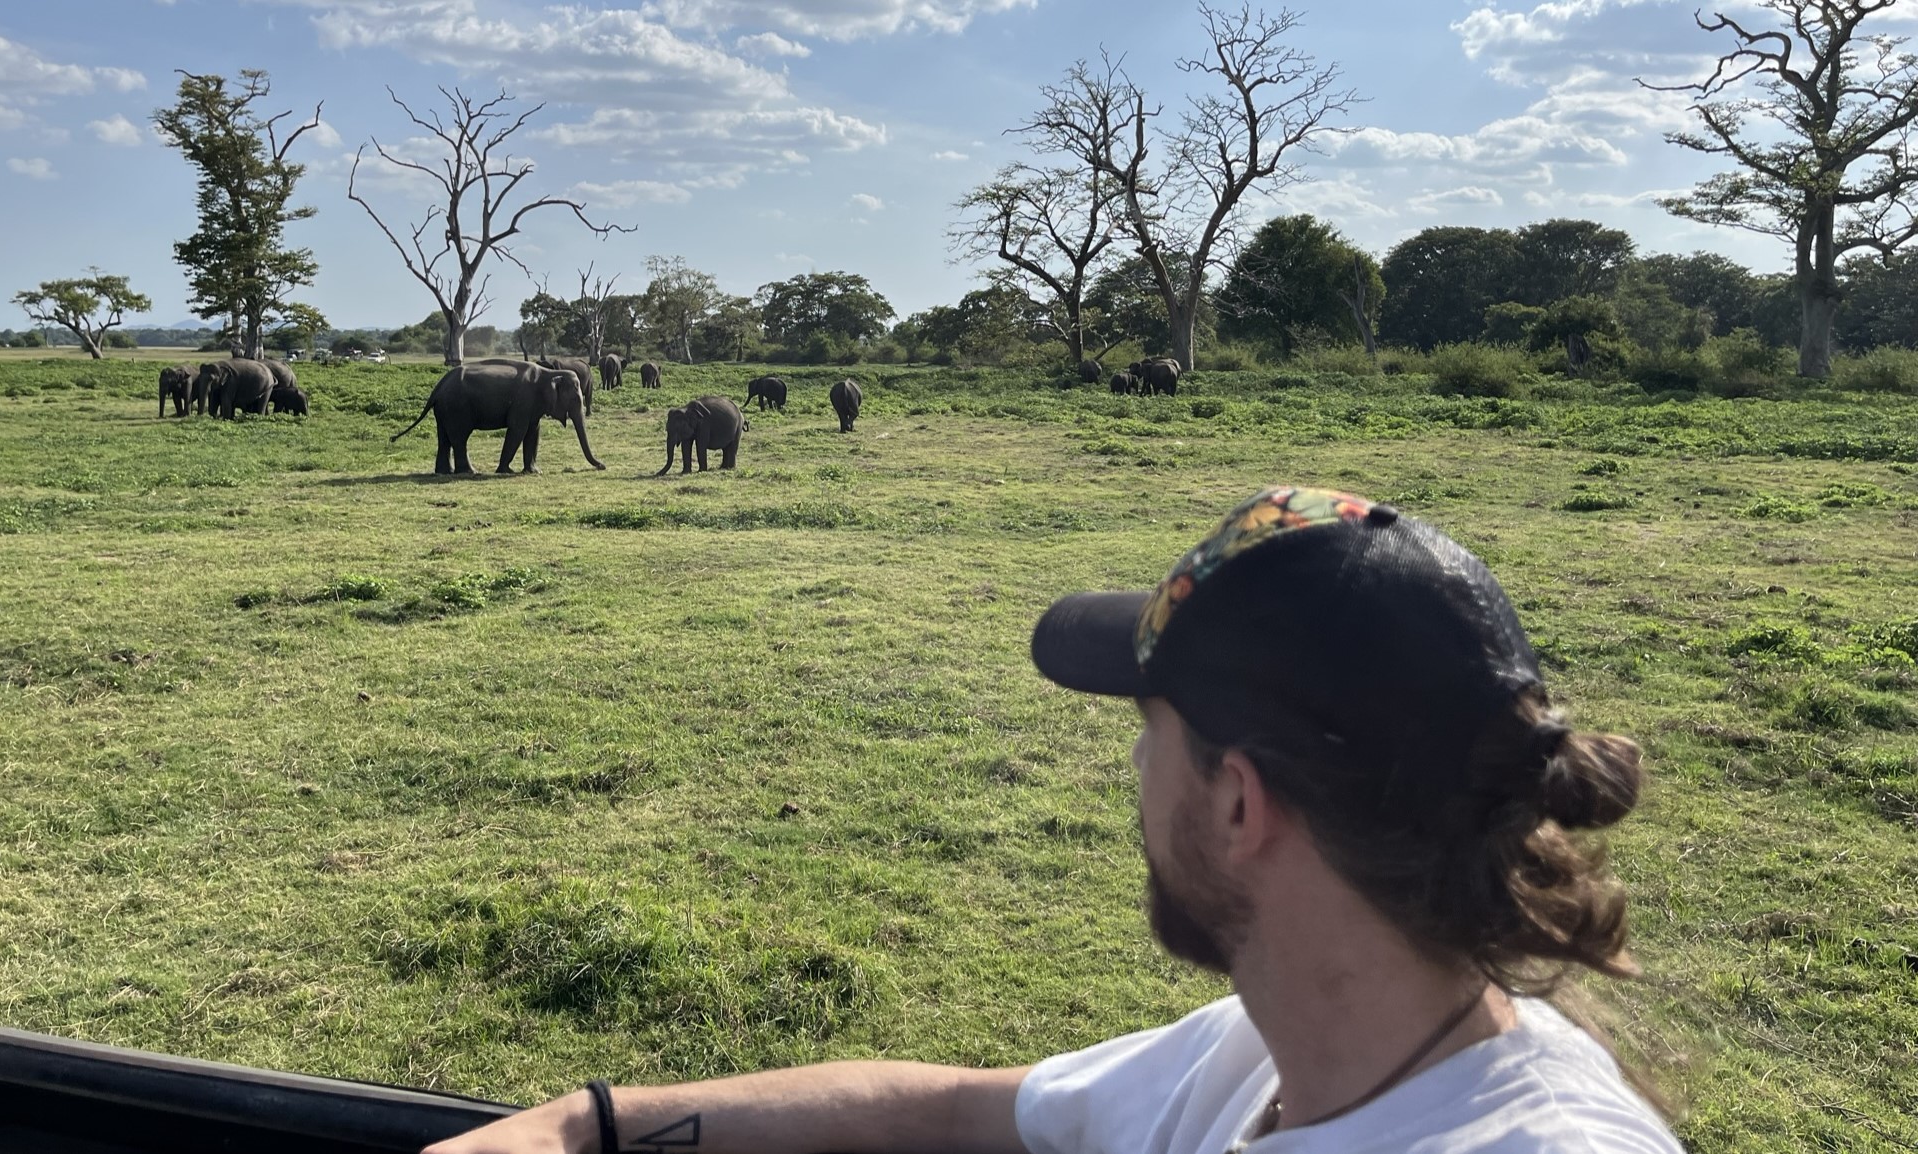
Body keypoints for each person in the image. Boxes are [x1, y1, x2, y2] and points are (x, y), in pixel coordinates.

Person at [428, 486, 1682, 1154]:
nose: (1130, 782)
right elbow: (968, 1106)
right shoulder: (1272, 1050)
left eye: (1145, 735)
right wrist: (590, 1118)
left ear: (1238, 799)